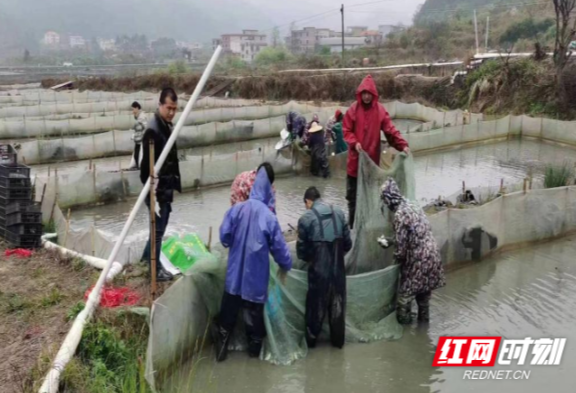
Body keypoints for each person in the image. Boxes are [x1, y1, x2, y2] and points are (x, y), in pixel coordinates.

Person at [214, 167, 293, 361]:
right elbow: (280, 251)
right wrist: (287, 265)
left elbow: (224, 236)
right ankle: (254, 354)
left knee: (228, 315)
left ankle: (222, 348)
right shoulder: (269, 217)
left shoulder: (237, 209)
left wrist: (234, 241)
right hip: (255, 280)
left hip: (234, 277)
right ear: (269, 190)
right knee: (254, 321)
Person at [344, 75, 410, 229]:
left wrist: (403, 146)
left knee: (371, 197)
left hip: (371, 165)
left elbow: (390, 131)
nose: (366, 96)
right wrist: (355, 143)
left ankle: (368, 228)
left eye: (369, 94)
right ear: (360, 94)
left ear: (374, 95)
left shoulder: (379, 111)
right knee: (352, 199)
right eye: (364, 93)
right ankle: (353, 228)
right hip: (354, 166)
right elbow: (346, 130)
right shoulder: (353, 109)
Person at [380, 178, 446, 324]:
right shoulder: (412, 205)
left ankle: (405, 337)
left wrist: (393, 258)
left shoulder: (399, 215)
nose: (385, 203)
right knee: (423, 299)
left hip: (418, 261)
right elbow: (414, 233)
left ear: (389, 199)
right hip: (432, 255)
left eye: (384, 200)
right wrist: (391, 240)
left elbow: (402, 250)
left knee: (404, 299)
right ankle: (423, 334)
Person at [297, 187, 352, 348]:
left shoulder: (306, 218)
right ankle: (337, 347)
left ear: (308, 201)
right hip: (338, 274)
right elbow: (348, 244)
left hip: (318, 275)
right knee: (337, 312)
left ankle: (311, 346)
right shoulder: (340, 213)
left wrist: (313, 258)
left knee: (315, 312)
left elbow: (301, 251)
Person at [140, 87, 181, 282]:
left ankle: (145, 259)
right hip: (156, 191)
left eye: (175, 108)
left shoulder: (165, 125)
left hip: (164, 189)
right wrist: (153, 193)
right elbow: (144, 169)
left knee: (158, 229)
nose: (172, 112)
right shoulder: (153, 130)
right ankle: (154, 270)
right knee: (158, 231)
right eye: (169, 108)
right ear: (160, 105)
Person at [130, 101, 148, 170]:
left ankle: (139, 167)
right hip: (138, 139)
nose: (133, 111)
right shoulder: (138, 116)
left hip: (141, 139)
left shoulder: (142, 117)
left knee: (139, 154)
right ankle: (138, 166)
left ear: (137, 108)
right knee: (137, 154)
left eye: (133, 109)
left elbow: (144, 127)